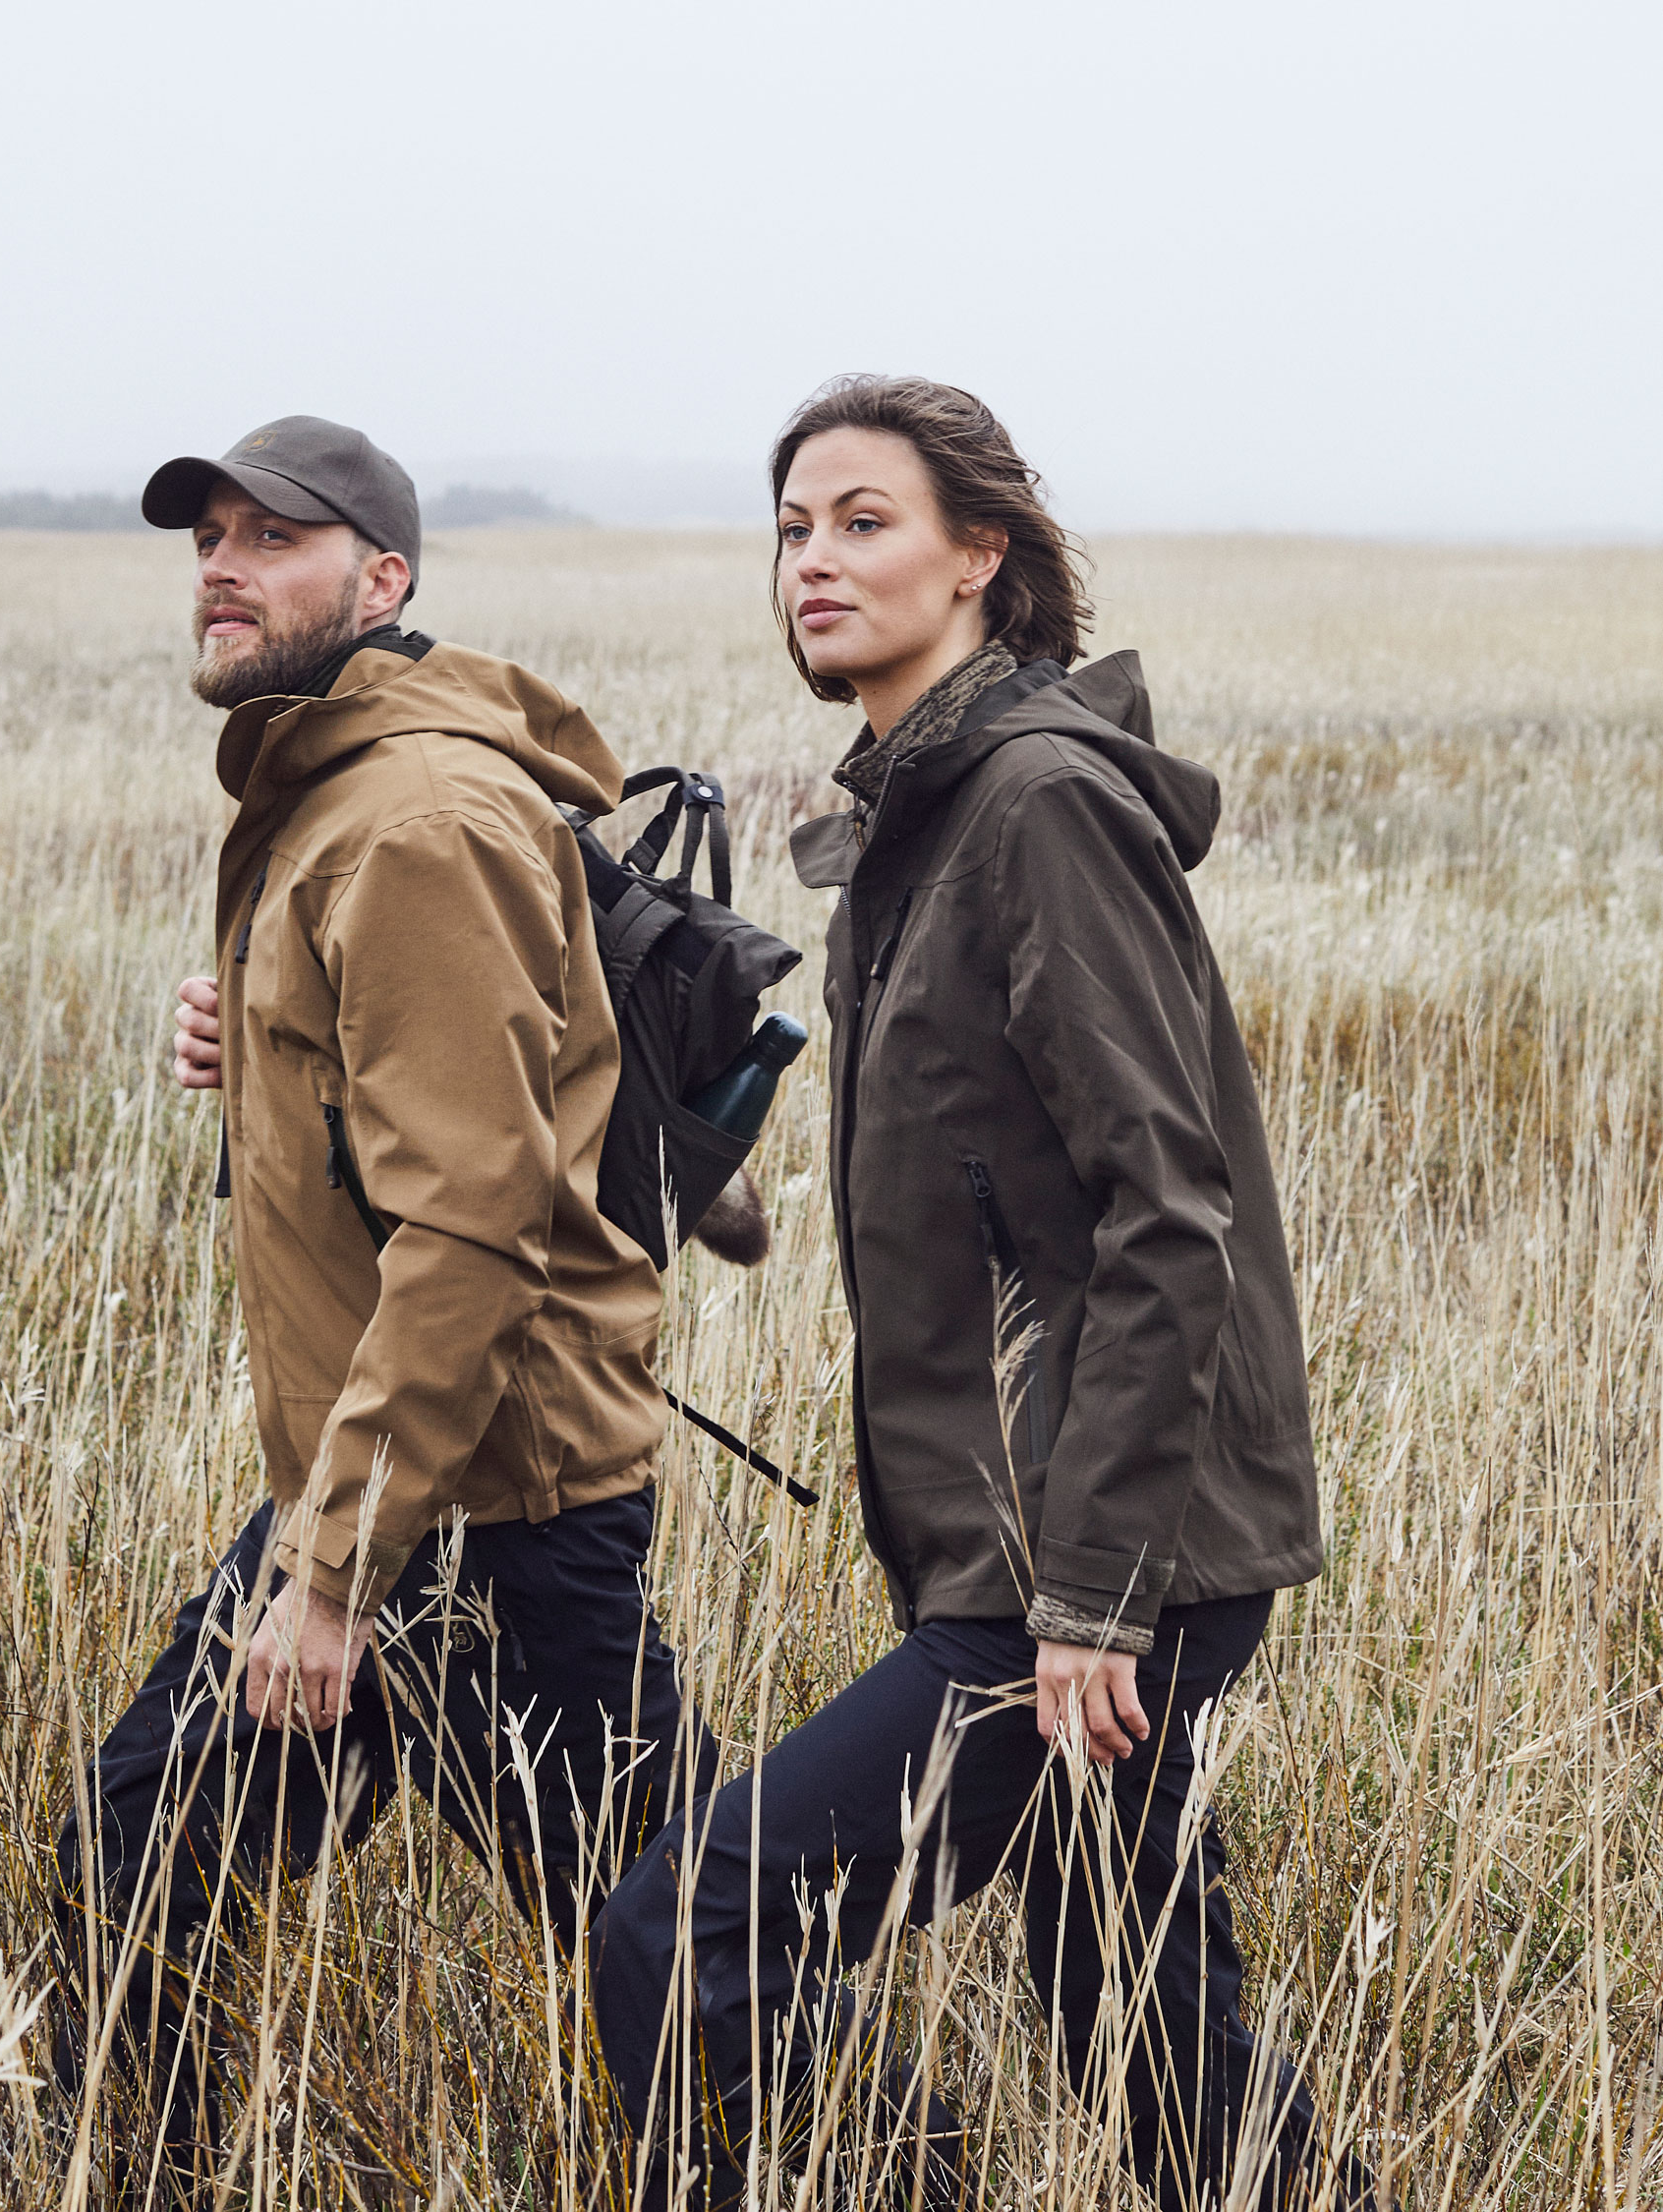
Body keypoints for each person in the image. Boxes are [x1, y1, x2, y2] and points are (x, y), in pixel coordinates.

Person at [589, 378, 1370, 2210]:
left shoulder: (1027, 806)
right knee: (1138, 2008)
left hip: (1085, 1565)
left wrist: (1088, 1597)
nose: (813, 560)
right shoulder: (915, 827)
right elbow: (978, 1159)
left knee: (685, 1931)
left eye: (864, 519)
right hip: (1061, 1550)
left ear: (980, 556)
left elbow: (1164, 1210)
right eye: (791, 528)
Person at [52, 415, 714, 2198]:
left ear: (383, 580)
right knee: (666, 1934)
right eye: (207, 535)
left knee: (681, 1954)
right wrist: (263, 1041)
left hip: (479, 1507)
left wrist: (329, 1565)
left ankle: (874, 2168)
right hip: (421, 1478)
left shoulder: (413, 817)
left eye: (274, 537)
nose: (219, 562)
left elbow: (476, 1225)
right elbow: (432, 1110)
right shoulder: (338, 790)